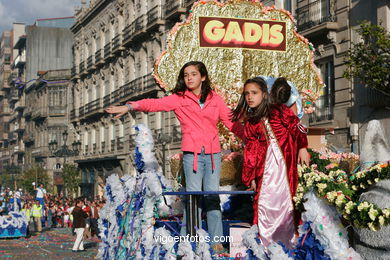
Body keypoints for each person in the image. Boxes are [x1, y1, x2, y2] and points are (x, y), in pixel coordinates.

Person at [105, 61, 243, 252]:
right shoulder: (179, 98)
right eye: (186, 75)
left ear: (203, 77)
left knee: (212, 197)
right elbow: (155, 104)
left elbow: (232, 122)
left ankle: (216, 241)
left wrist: (255, 138)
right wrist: (130, 107)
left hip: (213, 155)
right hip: (191, 155)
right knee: (192, 198)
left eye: (193, 74)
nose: (189, 78)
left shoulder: (215, 99)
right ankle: (189, 241)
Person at [232, 77, 308, 249]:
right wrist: (250, 176)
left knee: (287, 203)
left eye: (254, 93)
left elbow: (297, 127)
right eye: (246, 94)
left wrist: (302, 147)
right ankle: (266, 244)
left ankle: (290, 243)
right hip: (264, 172)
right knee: (265, 205)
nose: (250, 97)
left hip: (283, 168)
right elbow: (250, 151)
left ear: (264, 94)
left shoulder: (279, 110)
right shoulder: (250, 122)